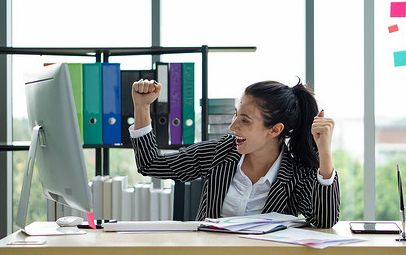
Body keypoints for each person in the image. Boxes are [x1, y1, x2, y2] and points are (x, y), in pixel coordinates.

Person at [130, 79, 340, 228]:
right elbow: (151, 163)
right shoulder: (219, 153)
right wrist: (142, 107)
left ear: (275, 130)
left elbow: (324, 220)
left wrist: (324, 152)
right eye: (236, 115)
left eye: (245, 120)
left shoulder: (296, 174)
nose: (233, 126)